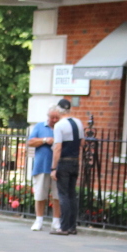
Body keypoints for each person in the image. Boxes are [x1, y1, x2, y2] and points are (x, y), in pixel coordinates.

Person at [49, 99, 85, 236]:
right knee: (71, 195)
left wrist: (54, 168)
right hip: (75, 161)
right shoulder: (78, 123)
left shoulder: (60, 125)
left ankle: (63, 227)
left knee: (63, 195)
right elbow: (82, 142)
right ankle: (72, 226)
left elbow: (57, 147)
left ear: (58, 110)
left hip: (64, 162)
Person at [26, 105, 59, 231]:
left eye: (57, 117)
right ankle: (38, 220)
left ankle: (56, 221)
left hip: (57, 167)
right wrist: (45, 140)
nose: (55, 120)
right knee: (40, 194)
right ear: (48, 116)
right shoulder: (40, 126)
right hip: (42, 165)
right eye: (52, 117)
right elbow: (30, 142)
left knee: (57, 196)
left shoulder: (60, 128)